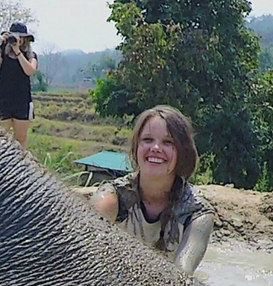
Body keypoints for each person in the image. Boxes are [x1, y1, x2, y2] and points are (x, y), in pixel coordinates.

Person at [90, 105, 214, 275]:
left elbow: (182, 276)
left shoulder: (197, 214)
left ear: (182, 153)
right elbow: (86, 252)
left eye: (168, 142)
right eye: (148, 140)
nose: (155, 148)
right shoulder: (112, 198)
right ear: (136, 148)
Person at [0, 22, 38, 147]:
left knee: (20, 140)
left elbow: (29, 71)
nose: (18, 40)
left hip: (22, 100)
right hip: (3, 99)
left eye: (21, 37)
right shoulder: (3, 53)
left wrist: (17, 52)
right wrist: (1, 46)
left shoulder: (31, 55)